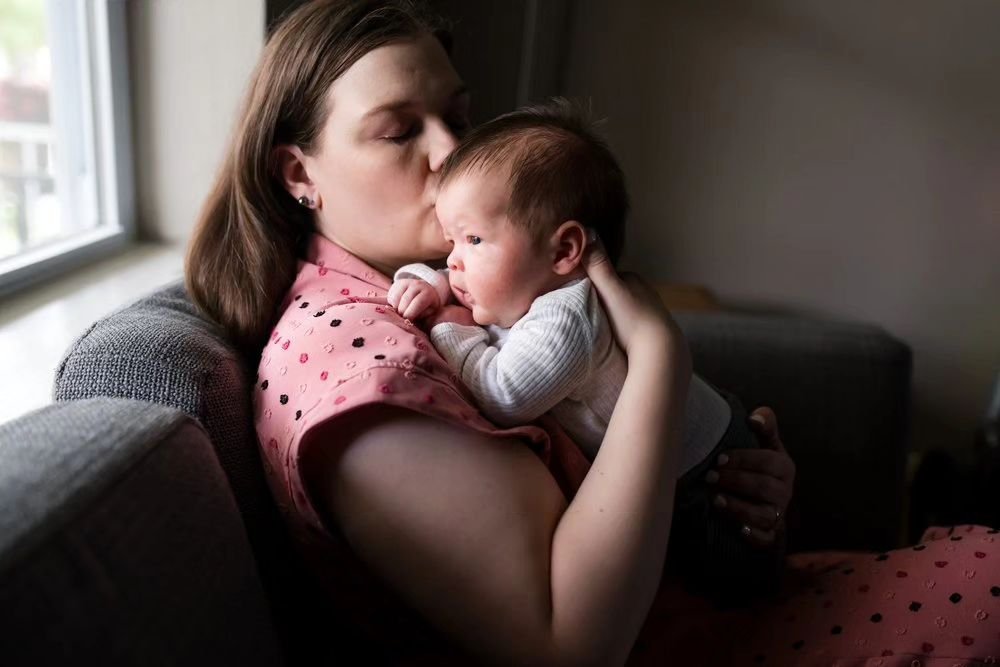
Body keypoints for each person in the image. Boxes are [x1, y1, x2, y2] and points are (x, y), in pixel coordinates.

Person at [185, 1, 1000, 664]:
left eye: (459, 116)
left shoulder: (442, 283)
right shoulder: (350, 361)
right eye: (401, 131)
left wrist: (735, 490)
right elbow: (571, 642)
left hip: (714, 596)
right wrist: (658, 361)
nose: (453, 152)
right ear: (299, 175)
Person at [387, 99, 780, 600]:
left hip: (706, 475)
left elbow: (501, 393)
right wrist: (430, 284)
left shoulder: (567, 318)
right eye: (450, 243)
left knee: (734, 586)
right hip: (692, 434)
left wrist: (444, 322)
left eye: (473, 239)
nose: (453, 262)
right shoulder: (527, 285)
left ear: (564, 251)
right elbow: (457, 282)